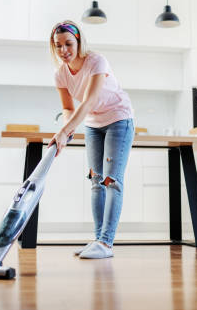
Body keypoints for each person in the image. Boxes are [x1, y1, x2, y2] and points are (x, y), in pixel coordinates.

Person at [48, 20, 134, 259]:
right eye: (58, 46)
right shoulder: (60, 75)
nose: (64, 50)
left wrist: (65, 132)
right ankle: (98, 240)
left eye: (68, 44)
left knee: (111, 180)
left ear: (78, 42)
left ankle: (106, 244)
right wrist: (66, 128)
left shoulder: (96, 61)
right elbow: (67, 107)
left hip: (119, 119)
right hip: (93, 125)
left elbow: (89, 101)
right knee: (96, 181)